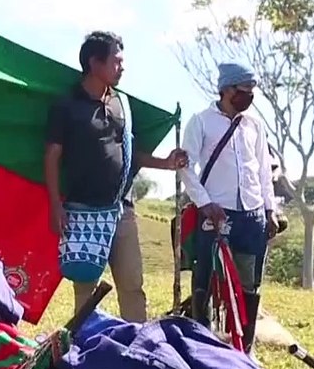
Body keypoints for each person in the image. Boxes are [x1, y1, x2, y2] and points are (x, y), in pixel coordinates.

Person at [44, 30, 187, 322]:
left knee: (133, 285)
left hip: (122, 210)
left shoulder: (122, 103)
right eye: (116, 61)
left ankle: (138, 348)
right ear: (95, 63)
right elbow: (52, 156)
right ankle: (83, 350)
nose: (122, 68)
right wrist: (55, 206)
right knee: (85, 288)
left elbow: (130, 151)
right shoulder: (67, 106)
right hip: (82, 211)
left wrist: (165, 163)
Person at [179, 62, 281, 352]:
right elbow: (187, 167)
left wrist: (269, 210)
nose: (249, 95)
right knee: (206, 281)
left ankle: (243, 351)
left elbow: (263, 171)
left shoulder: (255, 125)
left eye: (252, 90)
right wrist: (205, 203)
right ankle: (203, 347)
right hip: (215, 212)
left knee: (249, 284)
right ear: (226, 90)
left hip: (252, 214)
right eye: (243, 90)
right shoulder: (200, 121)